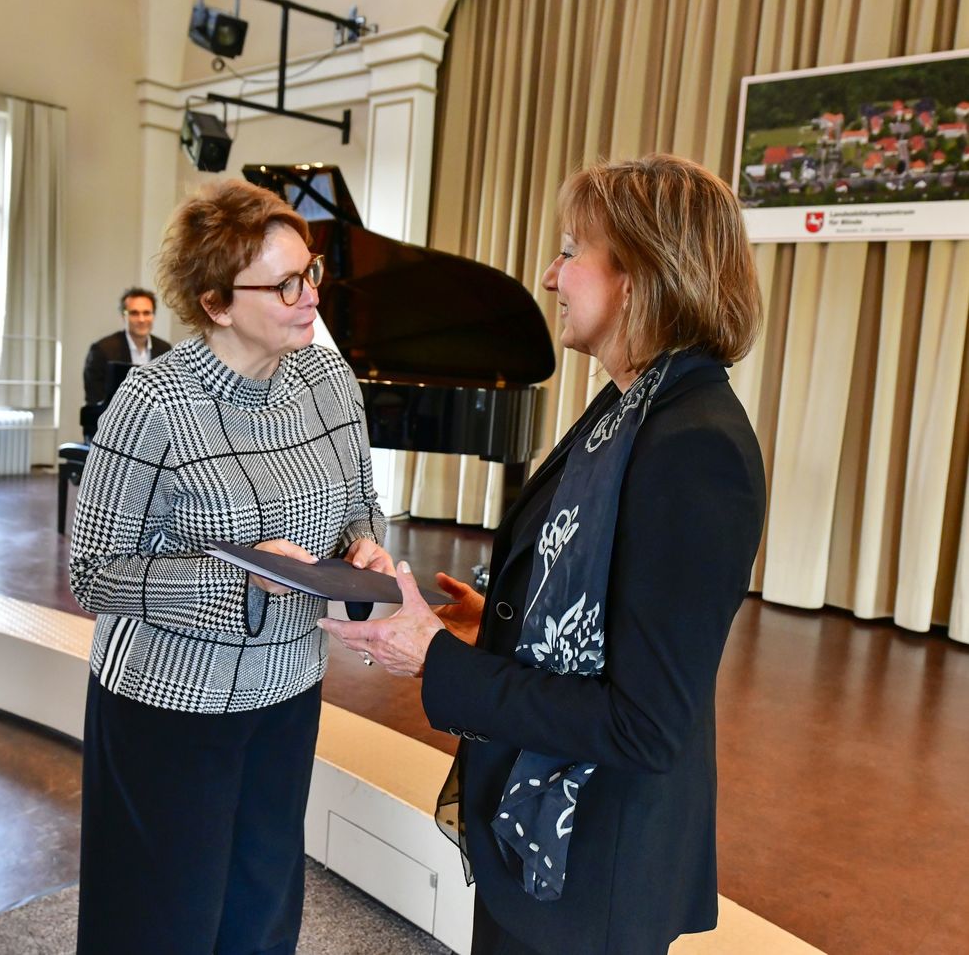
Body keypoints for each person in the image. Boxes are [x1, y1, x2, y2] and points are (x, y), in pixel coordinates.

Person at [321, 155, 767, 954]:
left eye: (572, 250)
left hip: (591, 868)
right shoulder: (634, 405)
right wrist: (497, 622)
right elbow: (593, 602)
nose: (551, 274)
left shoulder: (695, 446)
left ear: (639, 274)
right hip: (549, 841)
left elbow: (643, 724)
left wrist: (433, 659)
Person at [69, 179, 392, 955]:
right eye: (285, 283)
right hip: (170, 706)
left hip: (288, 689)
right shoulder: (152, 402)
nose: (309, 295)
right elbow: (94, 569)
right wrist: (236, 579)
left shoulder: (327, 377)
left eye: (310, 272)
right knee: (162, 921)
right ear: (216, 302)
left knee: (261, 907)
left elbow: (361, 499)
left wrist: (365, 544)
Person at [82, 287, 172, 405]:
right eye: (134, 313)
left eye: (146, 313)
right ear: (123, 316)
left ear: (153, 316)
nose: (141, 319)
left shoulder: (165, 350)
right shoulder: (102, 350)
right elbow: (95, 400)